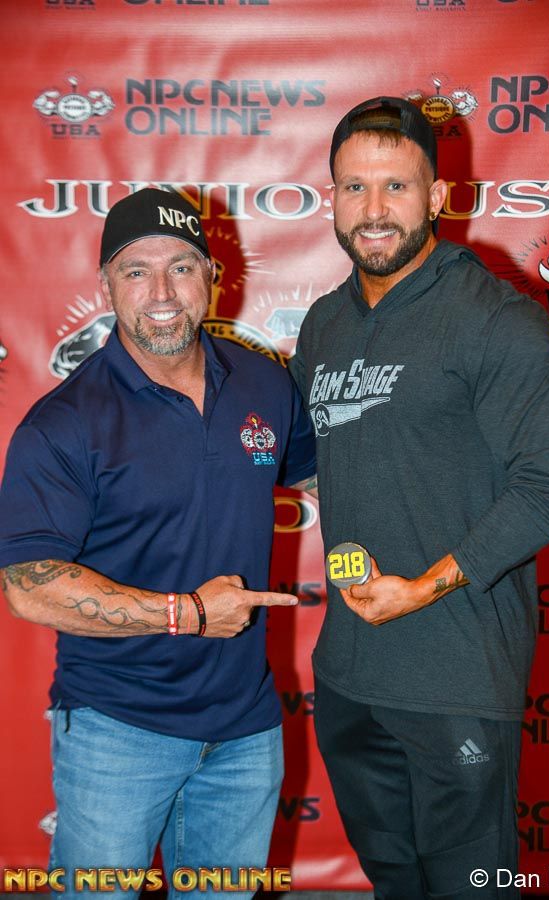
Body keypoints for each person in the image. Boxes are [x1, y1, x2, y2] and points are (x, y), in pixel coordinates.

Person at [289, 97, 549, 899]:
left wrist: (424, 585)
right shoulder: (324, 325)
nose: (374, 209)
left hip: (457, 677)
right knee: (393, 881)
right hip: (350, 673)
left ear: (440, 197)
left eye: (397, 186)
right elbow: (310, 456)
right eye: (355, 187)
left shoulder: (496, 320)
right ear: (332, 198)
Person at [0, 188, 316, 898]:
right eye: (136, 271)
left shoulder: (263, 382)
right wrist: (189, 614)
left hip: (245, 730)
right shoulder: (65, 423)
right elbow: (28, 586)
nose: (162, 292)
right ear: (106, 285)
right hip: (117, 730)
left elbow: (322, 476)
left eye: (180, 266)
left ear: (212, 275)